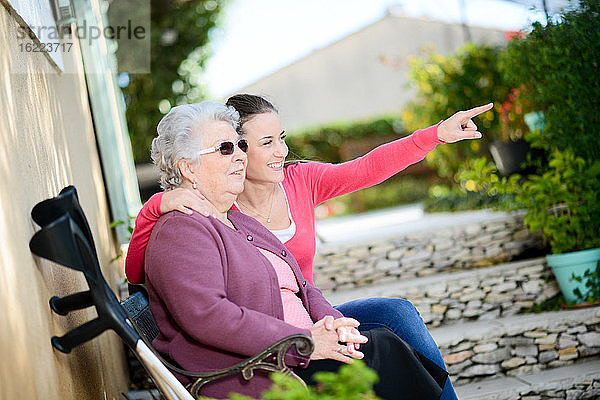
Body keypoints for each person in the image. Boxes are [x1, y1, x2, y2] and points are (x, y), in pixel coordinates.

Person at [129, 94, 494, 399]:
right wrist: (155, 206)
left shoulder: (259, 201)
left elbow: (363, 171)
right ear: (189, 167)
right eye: (228, 148)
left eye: (240, 146)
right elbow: (190, 303)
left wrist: (435, 135)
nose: (243, 155)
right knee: (382, 348)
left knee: (392, 323)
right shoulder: (193, 220)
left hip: (299, 328)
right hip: (274, 353)